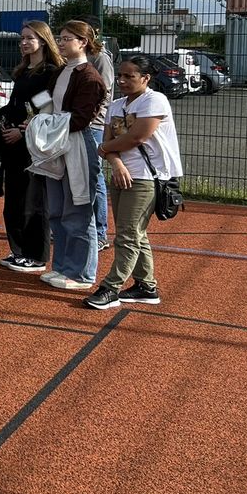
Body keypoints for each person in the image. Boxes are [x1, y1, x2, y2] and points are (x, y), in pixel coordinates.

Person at [85, 55, 182, 309]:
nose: (123, 80)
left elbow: (136, 137)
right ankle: (146, 286)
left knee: (128, 234)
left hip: (147, 178)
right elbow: (109, 141)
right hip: (122, 175)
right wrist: (115, 162)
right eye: (121, 75)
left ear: (146, 78)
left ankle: (111, 287)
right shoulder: (116, 105)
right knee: (136, 234)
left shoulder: (155, 101)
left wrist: (105, 149)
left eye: (130, 76)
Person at [37, 20, 107, 291]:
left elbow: (80, 119)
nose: (61, 42)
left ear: (83, 42)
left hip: (77, 146)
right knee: (57, 210)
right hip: (56, 145)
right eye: (61, 37)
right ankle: (63, 267)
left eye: (67, 38)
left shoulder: (89, 77)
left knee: (78, 211)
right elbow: (46, 100)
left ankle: (82, 274)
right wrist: (37, 117)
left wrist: (44, 125)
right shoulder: (60, 71)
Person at [0, 21, 62, 273]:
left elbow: (44, 108)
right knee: (14, 200)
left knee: (33, 202)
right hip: (12, 143)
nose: (23, 42)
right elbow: (17, 104)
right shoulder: (23, 70)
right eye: (22, 38)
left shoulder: (51, 72)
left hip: (33, 145)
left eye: (29, 38)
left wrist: (22, 131)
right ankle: (18, 250)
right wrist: (3, 124)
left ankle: (35, 255)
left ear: (43, 40)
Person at [80, 14, 116, 252]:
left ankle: (100, 232)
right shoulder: (77, 57)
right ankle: (82, 227)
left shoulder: (100, 57)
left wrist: (91, 118)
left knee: (95, 178)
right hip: (77, 123)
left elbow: (104, 91)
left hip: (93, 125)